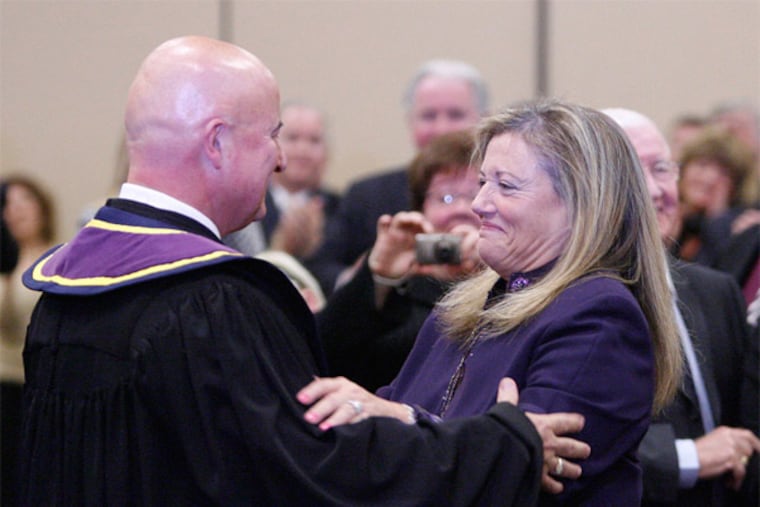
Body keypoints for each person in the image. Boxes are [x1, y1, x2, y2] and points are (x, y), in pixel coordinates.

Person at [18, 36, 592, 506]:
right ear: (216, 142)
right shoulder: (208, 301)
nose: (283, 159)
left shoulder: (66, 294)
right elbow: (319, 476)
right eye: (272, 135)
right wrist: (503, 444)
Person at [299, 100, 683, 504]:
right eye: (483, 181)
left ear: (580, 203)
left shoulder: (599, 315)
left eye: (506, 185)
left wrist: (402, 419)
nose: (478, 204)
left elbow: (517, 473)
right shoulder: (465, 306)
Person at [605, 107, 760, 507]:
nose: (655, 190)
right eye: (632, 172)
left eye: (661, 169)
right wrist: (687, 457)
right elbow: (570, 446)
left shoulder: (715, 290)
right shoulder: (561, 300)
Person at [305, 59, 488, 295]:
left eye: (455, 114)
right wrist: (373, 273)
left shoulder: (504, 194)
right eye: (429, 116)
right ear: (410, 122)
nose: (442, 129)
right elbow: (321, 268)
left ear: (485, 120)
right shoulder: (367, 196)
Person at [318, 130, 482, 391]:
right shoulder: (399, 280)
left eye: (475, 195)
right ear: (421, 208)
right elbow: (328, 354)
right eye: (446, 197)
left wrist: (490, 273)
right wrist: (381, 277)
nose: (461, 209)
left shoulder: (515, 279)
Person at [0, 175, 57, 506]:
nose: (15, 211)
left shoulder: (56, 262)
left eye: (24, 201)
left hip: (35, 388)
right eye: (7, 204)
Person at [224, 101, 340, 260]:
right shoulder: (247, 207)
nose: (303, 151)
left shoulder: (341, 208)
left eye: (314, 140)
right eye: (293, 138)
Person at [672, 127, 755, 265]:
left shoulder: (741, 228)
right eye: (702, 165)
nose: (709, 178)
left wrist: (718, 220)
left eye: (724, 173)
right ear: (684, 168)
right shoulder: (663, 214)